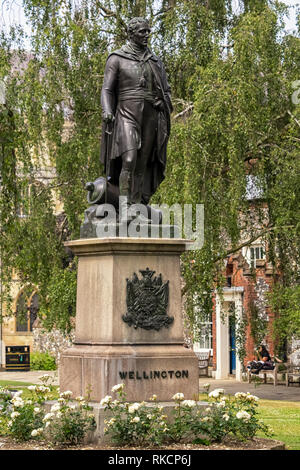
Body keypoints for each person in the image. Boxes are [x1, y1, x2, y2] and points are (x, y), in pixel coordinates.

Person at [100, 17, 172, 217]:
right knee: (130, 158)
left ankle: (136, 205)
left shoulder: (155, 62)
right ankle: (124, 207)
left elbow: (166, 91)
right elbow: (107, 90)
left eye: (148, 31)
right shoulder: (117, 58)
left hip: (150, 116)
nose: (147, 35)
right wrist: (107, 110)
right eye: (142, 32)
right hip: (126, 113)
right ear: (131, 34)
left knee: (143, 162)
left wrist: (162, 102)